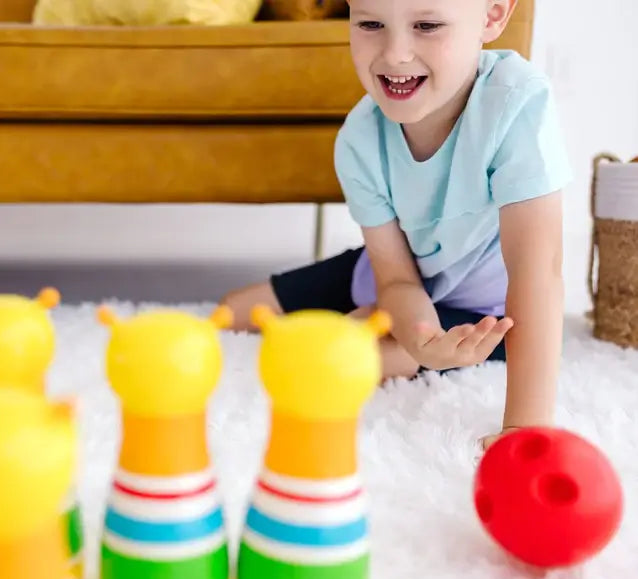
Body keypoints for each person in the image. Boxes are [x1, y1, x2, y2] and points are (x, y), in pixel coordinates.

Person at [221, 0, 571, 449]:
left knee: (343, 348)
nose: (394, 54)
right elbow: (397, 279)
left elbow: (538, 273)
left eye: (426, 25)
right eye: (370, 23)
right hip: (404, 270)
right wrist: (420, 332)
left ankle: (402, 349)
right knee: (234, 309)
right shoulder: (359, 138)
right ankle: (404, 343)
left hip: (488, 316)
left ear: (492, 15)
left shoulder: (516, 105)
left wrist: (525, 427)